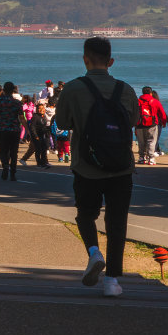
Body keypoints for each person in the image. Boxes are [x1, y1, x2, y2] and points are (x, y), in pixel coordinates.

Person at [57, 36, 139, 298]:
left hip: (86, 166)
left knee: (86, 214)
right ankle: (112, 281)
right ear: (111, 61)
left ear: (85, 59)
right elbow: (134, 121)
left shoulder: (72, 88)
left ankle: (94, 252)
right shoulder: (125, 90)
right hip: (122, 167)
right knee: (117, 223)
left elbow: (62, 123)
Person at [0, 82, 24, 180]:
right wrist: (27, 129)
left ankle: (5, 166)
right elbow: (22, 118)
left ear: (3, 90)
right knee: (14, 152)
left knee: (2, 150)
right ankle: (13, 172)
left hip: (2, 128)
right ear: (13, 90)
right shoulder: (17, 103)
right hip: (15, 129)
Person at [135, 86, 168, 165]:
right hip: (152, 124)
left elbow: (134, 113)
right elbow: (162, 114)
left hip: (139, 124)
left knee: (141, 141)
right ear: (151, 93)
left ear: (142, 92)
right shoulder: (155, 101)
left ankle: (141, 157)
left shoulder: (138, 101)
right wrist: (163, 122)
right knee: (151, 141)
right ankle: (151, 158)